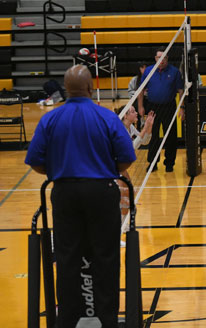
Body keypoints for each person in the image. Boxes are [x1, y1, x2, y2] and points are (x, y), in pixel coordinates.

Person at [25, 65, 136, 328]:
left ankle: (67, 319)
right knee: (106, 256)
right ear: (90, 87)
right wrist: (104, 168)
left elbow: (36, 161)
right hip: (101, 191)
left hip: (65, 192)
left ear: (66, 88)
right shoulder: (106, 117)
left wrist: (60, 170)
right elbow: (126, 159)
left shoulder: (50, 119)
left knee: (66, 257)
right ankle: (107, 319)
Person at [137, 47, 184, 172]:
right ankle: (153, 163)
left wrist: (182, 107)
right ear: (155, 58)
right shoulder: (148, 71)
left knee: (171, 136)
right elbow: (141, 90)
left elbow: (180, 90)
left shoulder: (174, 72)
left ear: (167, 59)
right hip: (153, 107)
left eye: (164, 58)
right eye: (159, 57)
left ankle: (169, 163)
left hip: (169, 106)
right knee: (153, 135)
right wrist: (140, 106)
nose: (161, 60)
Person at [116, 105, 155, 246]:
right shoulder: (119, 130)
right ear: (125, 116)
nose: (136, 113)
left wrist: (149, 127)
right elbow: (131, 149)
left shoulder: (130, 127)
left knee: (129, 196)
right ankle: (117, 234)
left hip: (118, 166)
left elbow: (144, 141)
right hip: (110, 167)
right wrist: (144, 129)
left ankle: (123, 226)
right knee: (124, 200)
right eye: (132, 112)